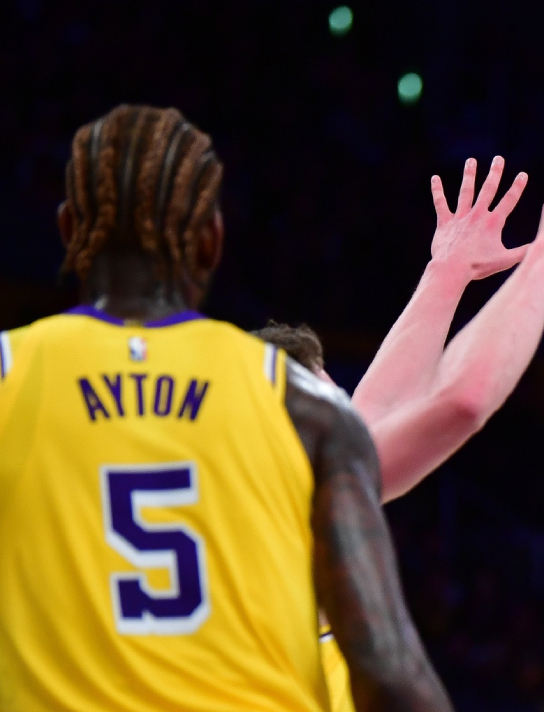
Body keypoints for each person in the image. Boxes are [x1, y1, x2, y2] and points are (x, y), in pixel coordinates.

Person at [0, 104, 451, 712]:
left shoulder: (9, 373)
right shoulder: (299, 403)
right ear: (212, 241)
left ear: (66, 229)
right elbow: (388, 671)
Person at [254, 152, 544, 712]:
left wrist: (448, 274)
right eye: (328, 406)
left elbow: (374, 416)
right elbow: (461, 399)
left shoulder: (253, 498)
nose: (345, 417)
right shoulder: (286, 507)